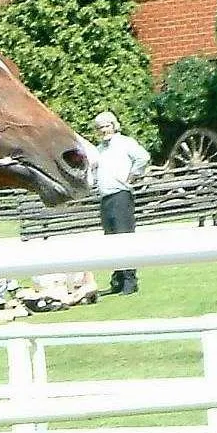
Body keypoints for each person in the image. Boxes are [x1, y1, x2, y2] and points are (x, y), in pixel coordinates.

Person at [88, 110, 150, 295]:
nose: (104, 130)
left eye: (107, 126)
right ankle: (118, 279)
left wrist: (132, 178)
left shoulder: (125, 143)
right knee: (111, 239)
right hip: (105, 198)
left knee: (124, 237)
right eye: (100, 128)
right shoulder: (98, 150)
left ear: (114, 126)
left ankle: (130, 281)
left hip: (121, 195)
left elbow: (143, 157)